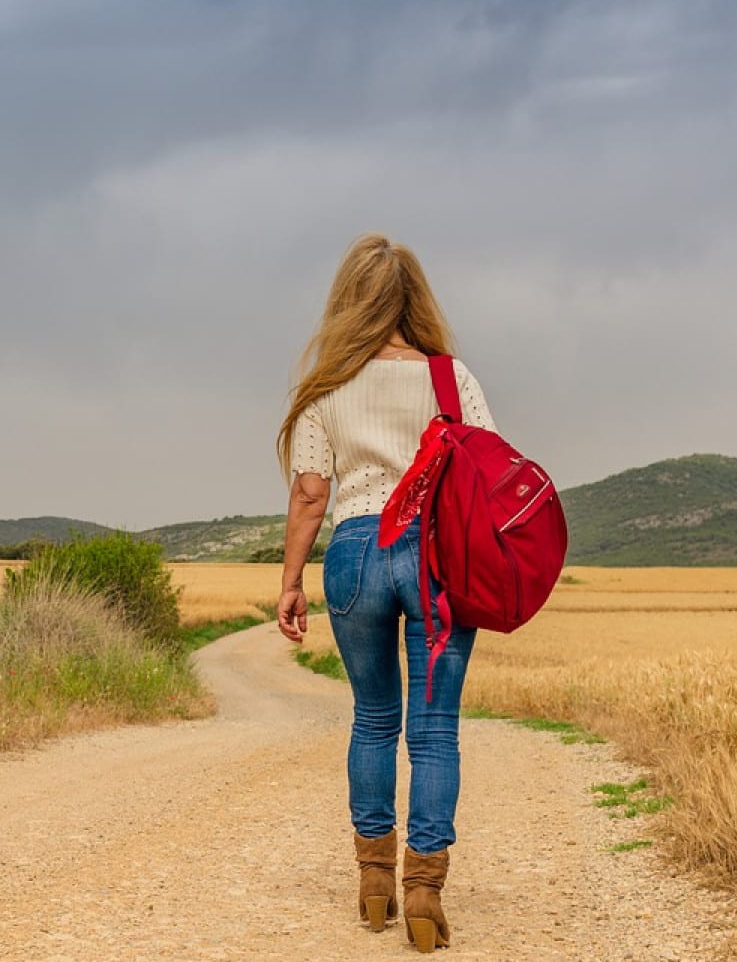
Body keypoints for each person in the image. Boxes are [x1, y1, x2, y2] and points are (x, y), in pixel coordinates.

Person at [273, 233, 495, 953]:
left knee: (373, 718)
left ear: (347, 304)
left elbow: (311, 495)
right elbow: (487, 473)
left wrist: (291, 583)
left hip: (356, 553)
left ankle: (374, 885)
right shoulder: (448, 378)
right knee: (435, 731)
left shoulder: (328, 386)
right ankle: (424, 892)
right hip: (434, 556)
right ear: (416, 300)